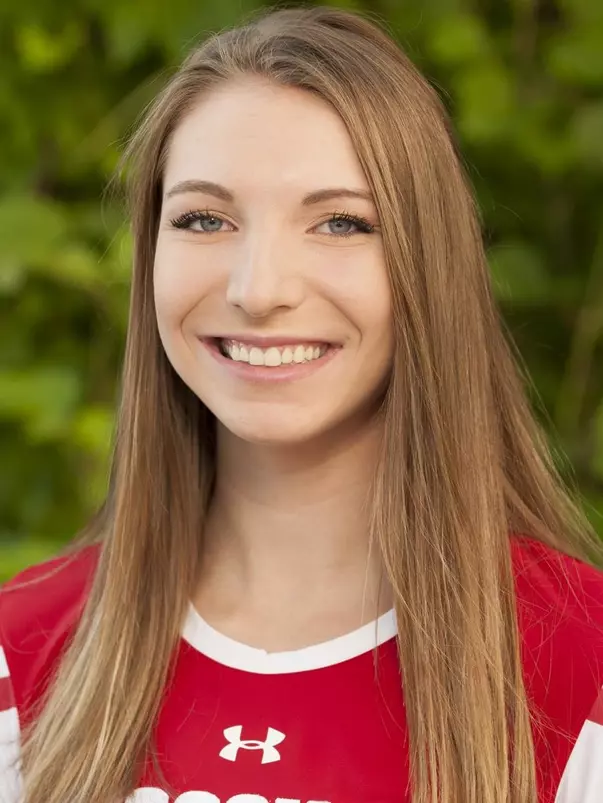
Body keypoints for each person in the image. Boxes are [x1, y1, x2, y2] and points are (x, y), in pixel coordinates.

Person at [1, 5, 603, 803]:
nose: (259, 290)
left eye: (341, 223)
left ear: (429, 263)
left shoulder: (578, 665)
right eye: (204, 218)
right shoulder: (22, 652)